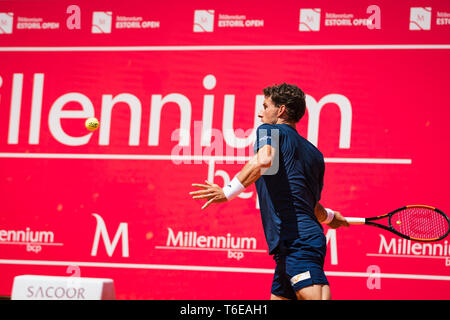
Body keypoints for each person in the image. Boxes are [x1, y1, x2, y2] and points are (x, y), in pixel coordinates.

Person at [189, 83, 349, 300]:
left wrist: (228, 191)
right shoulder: (315, 155)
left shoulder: (269, 130)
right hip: (291, 241)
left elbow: (264, 160)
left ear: (280, 110)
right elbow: (310, 206)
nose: (259, 113)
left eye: (265, 106)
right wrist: (330, 217)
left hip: (297, 240)